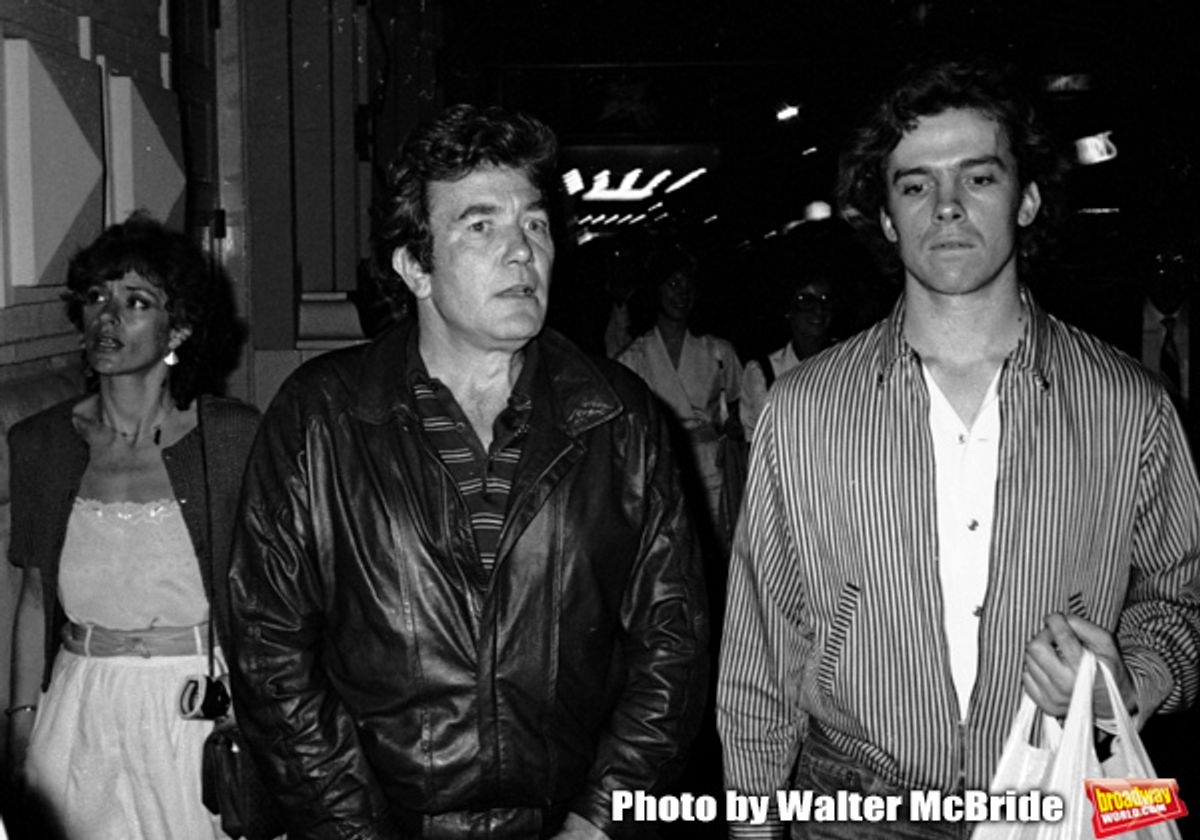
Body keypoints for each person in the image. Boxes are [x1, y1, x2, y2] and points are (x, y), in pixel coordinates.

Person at [718, 58, 1200, 838]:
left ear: (1028, 198)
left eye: (977, 178)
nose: (945, 207)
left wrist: (1132, 677)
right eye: (914, 185)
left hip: (1057, 788)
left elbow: (1181, 593)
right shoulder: (802, 412)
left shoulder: (1129, 408)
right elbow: (764, 645)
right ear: (884, 216)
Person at [228, 103, 708, 840]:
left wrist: (600, 819)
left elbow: (672, 642)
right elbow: (270, 650)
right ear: (414, 266)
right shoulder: (322, 418)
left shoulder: (620, 420)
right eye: (480, 226)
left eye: (536, 225)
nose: (522, 252)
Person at [5, 213, 260, 840]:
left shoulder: (231, 438)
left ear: (180, 327)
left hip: (194, 718)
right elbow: (37, 598)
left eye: (135, 301)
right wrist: (21, 721)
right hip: (79, 714)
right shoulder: (43, 442)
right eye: (96, 298)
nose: (107, 318)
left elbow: (272, 598)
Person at [617, 245, 744, 545]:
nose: (681, 293)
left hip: (715, 477)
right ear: (656, 290)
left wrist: (733, 429)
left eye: (687, 285)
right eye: (673, 284)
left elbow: (741, 410)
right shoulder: (633, 358)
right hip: (663, 477)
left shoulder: (719, 351)